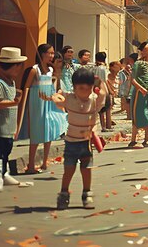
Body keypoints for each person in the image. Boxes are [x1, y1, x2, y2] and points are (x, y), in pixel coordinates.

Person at [50, 68, 107, 210]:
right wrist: (57, 94)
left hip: (86, 143)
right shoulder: (69, 99)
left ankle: (87, 193)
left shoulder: (94, 101)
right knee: (68, 169)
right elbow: (56, 99)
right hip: (71, 142)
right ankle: (64, 193)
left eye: (89, 88)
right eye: (81, 88)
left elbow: (104, 95)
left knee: (86, 169)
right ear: (74, 87)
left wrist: (101, 82)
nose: (85, 91)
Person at [17, 44, 67, 174]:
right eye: (49, 53)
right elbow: (26, 88)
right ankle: (31, 165)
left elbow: (53, 85)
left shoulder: (50, 70)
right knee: (36, 132)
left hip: (49, 101)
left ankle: (45, 162)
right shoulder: (34, 70)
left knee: (49, 129)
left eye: (52, 53)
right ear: (42, 54)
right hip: (37, 103)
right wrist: (23, 107)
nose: (51, 56)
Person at [0, 47, 26, 192]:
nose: (19, 69)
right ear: (10, 67)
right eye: (18, 66)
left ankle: (4, 172)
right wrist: (15, 102)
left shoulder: (10, 81)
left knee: (6, 149)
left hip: (8, 125)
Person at [128, 42, 148, 148]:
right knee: (139, 115)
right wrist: (142, 89)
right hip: (140, 93)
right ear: (143, 50)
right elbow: (133, 80)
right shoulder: (138, 63)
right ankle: (133, 141)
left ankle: (147, 139)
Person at [94, 52, 111, 132]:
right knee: (105, 107)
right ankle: (105, 126)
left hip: (97, 87)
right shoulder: (102, 68)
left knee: (102, 108)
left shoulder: (95, 68)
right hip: (103, 88)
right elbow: (104, 80)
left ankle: (105, 125)